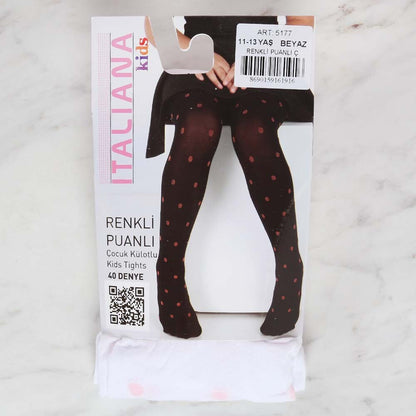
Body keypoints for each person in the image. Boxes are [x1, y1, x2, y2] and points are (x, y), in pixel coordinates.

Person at [144, 16, 314, 339]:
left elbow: (301, 20)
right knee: (198, 125)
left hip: (266, 59)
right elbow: (154, 21)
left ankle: (290, 266)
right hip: (196, 63)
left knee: (254, 130)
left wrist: (256, 59)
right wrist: (195, 54)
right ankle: (169, 270)